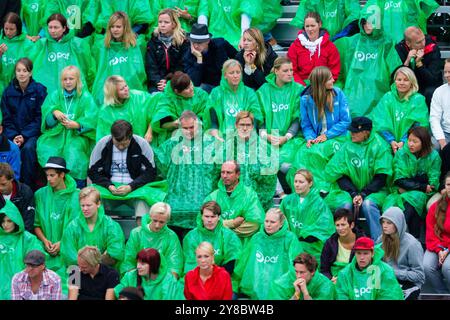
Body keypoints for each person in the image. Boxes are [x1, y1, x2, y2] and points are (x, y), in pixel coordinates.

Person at [325, 117, 393, 240]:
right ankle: (341, 243)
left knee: (368, 205)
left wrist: (363, 194)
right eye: (351, 131)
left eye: (355, 132)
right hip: (350, 191)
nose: (351, 134)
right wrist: (353, 193)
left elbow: (381, 177)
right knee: (344, 206)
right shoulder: (347, 145)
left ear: (366, 132)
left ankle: (379, 243)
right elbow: (339, 174)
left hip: (376, 192)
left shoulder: (380, 146)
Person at [89, 120, 164, 225]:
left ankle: (140, 236)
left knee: (143, 203)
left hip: (134, 190)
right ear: (112, 136)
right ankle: (98, 236)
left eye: (124, 144)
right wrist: (108, 185)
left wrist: (131, 186)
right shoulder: (103, 144)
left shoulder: (142, 144)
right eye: (117, 143)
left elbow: (150, 173)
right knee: (93, 200)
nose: (120, 147)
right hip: (109, 189)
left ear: (131, 137)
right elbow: (92, 172)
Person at [155, 111, 220, 233]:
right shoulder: (172, 143)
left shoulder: (211, 143)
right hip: (176, 197)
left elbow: (219, 171)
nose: (189, 131)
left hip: (203, 197)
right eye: (185, 128)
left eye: (192, 127)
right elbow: (161, 164)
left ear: (199, 125)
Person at [37, 65, 98, 188]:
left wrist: (77, 124)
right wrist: (54, 113)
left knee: (74, 154)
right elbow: (47, 123)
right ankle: (53, 184)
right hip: (56, 134)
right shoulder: (55, 95)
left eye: (71, 79)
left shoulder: (85, 97)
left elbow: (92, 119)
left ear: (77, 80)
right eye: (65, 79)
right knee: (48, 149)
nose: (68, 82)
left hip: (77, 136)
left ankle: (77, 187)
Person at [291, 66, 351, 192]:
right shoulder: (305, 99)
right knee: (304, 155)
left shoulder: (338, 93)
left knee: (318, 154)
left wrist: (327, 135)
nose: (333, 80)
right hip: (318, 138)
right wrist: (310, 138)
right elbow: (306, 124)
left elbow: (345, 121)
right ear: (321, 82)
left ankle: (325, 188)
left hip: (338, 137)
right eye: (329, 79)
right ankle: (307, 190)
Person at [334, 15, 402, 117]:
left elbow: (395, 69)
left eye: (371, 22)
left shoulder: (387, 42)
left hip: (378, 89)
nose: (367, 26)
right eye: (364, 23)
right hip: (353, 90)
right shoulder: (350, 42)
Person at [257, 57, 304, 196]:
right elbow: (260, 118)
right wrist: (266, 135)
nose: (290, 73)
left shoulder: (298, 89)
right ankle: (281, 194)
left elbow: (297, 119)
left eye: (291, 70)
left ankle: (297, 194)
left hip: (291, 139)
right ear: (276, 71)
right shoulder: (263, 91)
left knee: (284, 164)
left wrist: (286, 137)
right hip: (268, 138)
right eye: (285, 70)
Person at [382, 127, 441, 238]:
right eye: (409, 140)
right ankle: (414, 238)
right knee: (404, 204)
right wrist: (422, 184)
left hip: (422, 194)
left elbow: (433, 184)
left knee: (412, 202)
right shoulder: (402, 154)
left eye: (415, 141)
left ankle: (398, 235)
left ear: (424, 142)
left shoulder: (433, 157)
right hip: (403, 192)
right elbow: (399, 180)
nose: (410, 144)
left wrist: (411, 184)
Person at [233, 208, 303, 299]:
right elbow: (243, 263)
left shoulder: (289, 239)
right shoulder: (257, 238)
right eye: (266, 221)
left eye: (272, 222)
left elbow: (297, 264)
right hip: (254, 289)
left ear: (281, 224)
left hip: (280, 291)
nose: (268, 225)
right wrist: (235, 283)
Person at [34, 157, 80, 290]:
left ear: (62, 174)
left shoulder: (77, 196)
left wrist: (62, 243)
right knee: (45, 290)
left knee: (74, 286)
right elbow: (36, 224)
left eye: (52, 175)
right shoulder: (40, 195)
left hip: (71, 252)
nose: (48, 179)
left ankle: (74, 296)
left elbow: (78, 227)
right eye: (47, 175)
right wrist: (44, 240)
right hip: (46, 249)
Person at [0, 58, 47, 191]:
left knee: (28, 149)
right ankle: (7, 187)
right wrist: (14, 135)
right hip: (11, 133)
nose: (21, 74)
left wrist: (24, 135)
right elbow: (6, 118)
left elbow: (39, 117)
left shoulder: (39, 90)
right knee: (7, 147)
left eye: (24, 71)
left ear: (30, 73)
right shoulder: (8, 92)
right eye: (18, 70)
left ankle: (26, 188)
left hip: (32, 134)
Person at [222, 111, 278, 211]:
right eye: (242, 125)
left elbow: (270, 179)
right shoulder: (227, 147)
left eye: (248, 125)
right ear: (236, 125)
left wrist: (255, 200)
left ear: (252, 127)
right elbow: (219, 175)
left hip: (257, 202)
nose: (244, 128)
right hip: (232, 201)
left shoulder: (264, 147)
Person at [60, 187, 125, 268]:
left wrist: (93, 266)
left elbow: (115, 253)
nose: (85, 209)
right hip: (77, 269)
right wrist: (89, 264)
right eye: (82, 205)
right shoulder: (72, 227)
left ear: (98, 204)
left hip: (103, 269)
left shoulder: (111, 226)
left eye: (88, 205)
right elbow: (68, 255)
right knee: (73, 278)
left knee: (109, 276)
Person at [91, 11, 147, 106]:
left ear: (125, 28)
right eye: (112, 27)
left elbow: (139, 72)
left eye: (118, 27)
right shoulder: (102, 46)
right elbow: (100, 73)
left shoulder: (136, 45)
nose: (115, 30)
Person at [370, 66, 429, 155]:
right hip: (387, 141)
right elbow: (379, 121)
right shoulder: (388, 97)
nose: (402, 83)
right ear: (395, 81)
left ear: (412, 82)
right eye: (399, 79)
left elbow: (419, 125)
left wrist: (404, 141)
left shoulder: (418, 100)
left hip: (410, 141)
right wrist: (391, 140)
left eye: (406, 80)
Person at [31, 13, 95, 94]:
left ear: (64, 28)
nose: (52, 31)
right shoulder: (41, 44)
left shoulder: (77, 44)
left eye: (56, 27)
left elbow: (87, 68)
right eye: (50, 27)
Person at [204, 160, 265, 245]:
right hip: (218, 248)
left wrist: (223, 231)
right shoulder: (213, 197)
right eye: (222, 172)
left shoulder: (249, 195)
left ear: (238, 174)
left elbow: (255, 223)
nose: (224, 176)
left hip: (242, 247)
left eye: (229, 173)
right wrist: (231, 223)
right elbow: (203, 221)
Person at [280, 169, 334, 263]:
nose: (297, 184)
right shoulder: (287, 201)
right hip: (290, 244)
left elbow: (324, 227)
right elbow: (281, 220)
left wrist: (302, 238)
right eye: (295, 181)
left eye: (301, 182)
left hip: (311, 247)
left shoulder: (319, 203)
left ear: (310, 183)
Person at [121, 202, 183, 279]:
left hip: (163, 280)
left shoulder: (171, 236)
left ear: (167, 220)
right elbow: (129, 261)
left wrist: (165, 283)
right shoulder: (136, 233)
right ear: (150, 216)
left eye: (161, 222)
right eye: (155, 220)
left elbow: (174, 266)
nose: (157, 225)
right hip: (139, 277)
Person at [203, 59, 262, 140]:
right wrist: (215, 133)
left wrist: (249, 132)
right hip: (222, 136)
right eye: (231, 73)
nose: (235, 76)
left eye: (238, 72)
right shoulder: (216, 93)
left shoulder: (249, 93)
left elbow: (255, 115)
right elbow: (213, 122)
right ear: (225, 75)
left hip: (246, 135)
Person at [376, 207, 425, 300]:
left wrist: (394, 272)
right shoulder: (380, 240)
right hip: (387, 280)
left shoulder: (412, 244)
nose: (384, 226)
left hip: (408, 284)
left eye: (389, 223)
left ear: (398, 224)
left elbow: (419, 276)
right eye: (383, 222)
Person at [0, 199, 44, 300]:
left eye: (9, 221)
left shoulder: (27, 238)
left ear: (16, 221)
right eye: (2, 221)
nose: (5, 225)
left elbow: (37, 258)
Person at [182, 201, 242, 275]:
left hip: (222, 276)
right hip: (197, 277)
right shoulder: (191, 237)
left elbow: (233, 260)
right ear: (201, 216)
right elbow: (191, 264)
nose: (209, 220)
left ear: (219, 217)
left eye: (213, 216)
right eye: (206, 216)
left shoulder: (229, 235)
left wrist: (216, 277)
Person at [335, 236, 404, 300]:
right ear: (355, 253)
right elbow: (341, 295)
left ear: (372, 253)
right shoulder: (345, 273)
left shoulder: (385, 271)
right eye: (359, 253)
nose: (362, 257)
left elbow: (390, 296)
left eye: (365, 253)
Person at [151, 71, 208, 144]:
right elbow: (162, 124)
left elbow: (206, 116)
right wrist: (174, 123)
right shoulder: (166, 100)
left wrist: (196, 122)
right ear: (177, 91)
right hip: (173, 136)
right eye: (187, 88)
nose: (192, 89)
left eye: (191, 84)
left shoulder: (201, 94)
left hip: (198, 132)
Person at [96, 76, 155, 142]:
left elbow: (157, 109)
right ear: (114, 93)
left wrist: (150, 131)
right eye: (122, 89)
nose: (126, 89)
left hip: (146, 142)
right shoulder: (105, 111)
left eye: (126, 86)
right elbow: (103, 139)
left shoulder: (139, 96)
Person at [287, 12, 340, 86]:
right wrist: (303, 86)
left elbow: (334, 71)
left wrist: (322, 86)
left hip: (323, 86)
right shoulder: (295, 46)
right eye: (307, 26)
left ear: (320, 24)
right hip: (301, 87)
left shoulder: (330, 47)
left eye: (313, 26)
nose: (310, 29)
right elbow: (291, 71)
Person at [183, 23, 238, 93]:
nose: (196, 46)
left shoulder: (220, 45)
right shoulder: (188, 55)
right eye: (193, 42)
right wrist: (199, 59)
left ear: (208, 41)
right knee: (200, 90)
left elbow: (237, 57)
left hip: (227, 82)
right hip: (208, 86)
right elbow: (194, 83)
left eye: (199, 43)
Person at [395, 26, 443, 106]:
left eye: (423, 39)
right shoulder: (400, 49)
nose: (423, 44)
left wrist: (419, 64)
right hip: (409, 84)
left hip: (428, 84)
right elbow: (397, 76)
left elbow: (433, 80)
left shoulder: (432, 47)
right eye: (418, 42)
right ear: (408, 43)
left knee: (430, 92)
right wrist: (407, 61)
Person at [145, 8, 189, 93]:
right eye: (160, 22)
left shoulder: (183, 41)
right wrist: (159, 82)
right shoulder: (153, 42)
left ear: (174, 24)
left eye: (166, 22)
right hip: (157, 83)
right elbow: (151, 66)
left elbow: (182, 65)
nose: (162, 25)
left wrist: (169, 82)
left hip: (176, 81)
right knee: (156, 97)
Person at [115, 248, 184, 300]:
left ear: (153, 265)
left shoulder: (169, 281)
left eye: (143, 263)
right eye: (138, 262)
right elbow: (118, 290)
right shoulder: (131, 276)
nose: (138, 266)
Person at [362, 0, 439, 44]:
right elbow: (367, 22)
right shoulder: (376, 2)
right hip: (385, 47)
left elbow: (429, 6)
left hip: (409, 46)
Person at [320, 208, 366, 282]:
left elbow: (367, 268)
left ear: (352, 225)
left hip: (356, 280)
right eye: (337, 225)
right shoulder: (330, 243)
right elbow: (324, 270)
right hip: (334, 280)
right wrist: (330, 278)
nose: (340, 228)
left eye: (343, 225)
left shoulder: (363, 242)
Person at [423, 172, 450, 293]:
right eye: (449, 184)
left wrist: (447, 250)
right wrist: (439, 250)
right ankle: (443, 294)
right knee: (427, 266)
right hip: (438, 245)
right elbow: (430, 231)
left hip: (448, 247)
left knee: (447, 268)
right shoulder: (436, 206)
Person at [269, 252, 335, 300]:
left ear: (312, 272)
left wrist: (306, 294)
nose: (298, 276)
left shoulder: (326, 285)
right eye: (296, 271)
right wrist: (296, 294)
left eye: (302, 272)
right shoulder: (281, 283)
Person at [0, 12, 34, 95]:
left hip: (20, 88)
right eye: (6, 28)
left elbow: (32, 68)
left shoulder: (28, 45)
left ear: (18, 29)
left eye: (11, 29)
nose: (8, 32)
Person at [290, 0, 360, 40]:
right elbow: (303, 22)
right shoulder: (309, 1)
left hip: (342, 42)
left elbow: (354, 17)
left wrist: (341, 36)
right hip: (316, 42)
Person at [0, 162, 35, 233]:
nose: (0, 188)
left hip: (22, 237)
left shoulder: (25, 192)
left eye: (3, 184)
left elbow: (29, 221)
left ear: (11, 179)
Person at [430, 58, 450, 150]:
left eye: (449, 72)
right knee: (431, 147)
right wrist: (442, 141)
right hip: (445, 133)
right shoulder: (439, 91)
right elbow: (434, 118)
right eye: (445, 72)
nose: (446, 75)